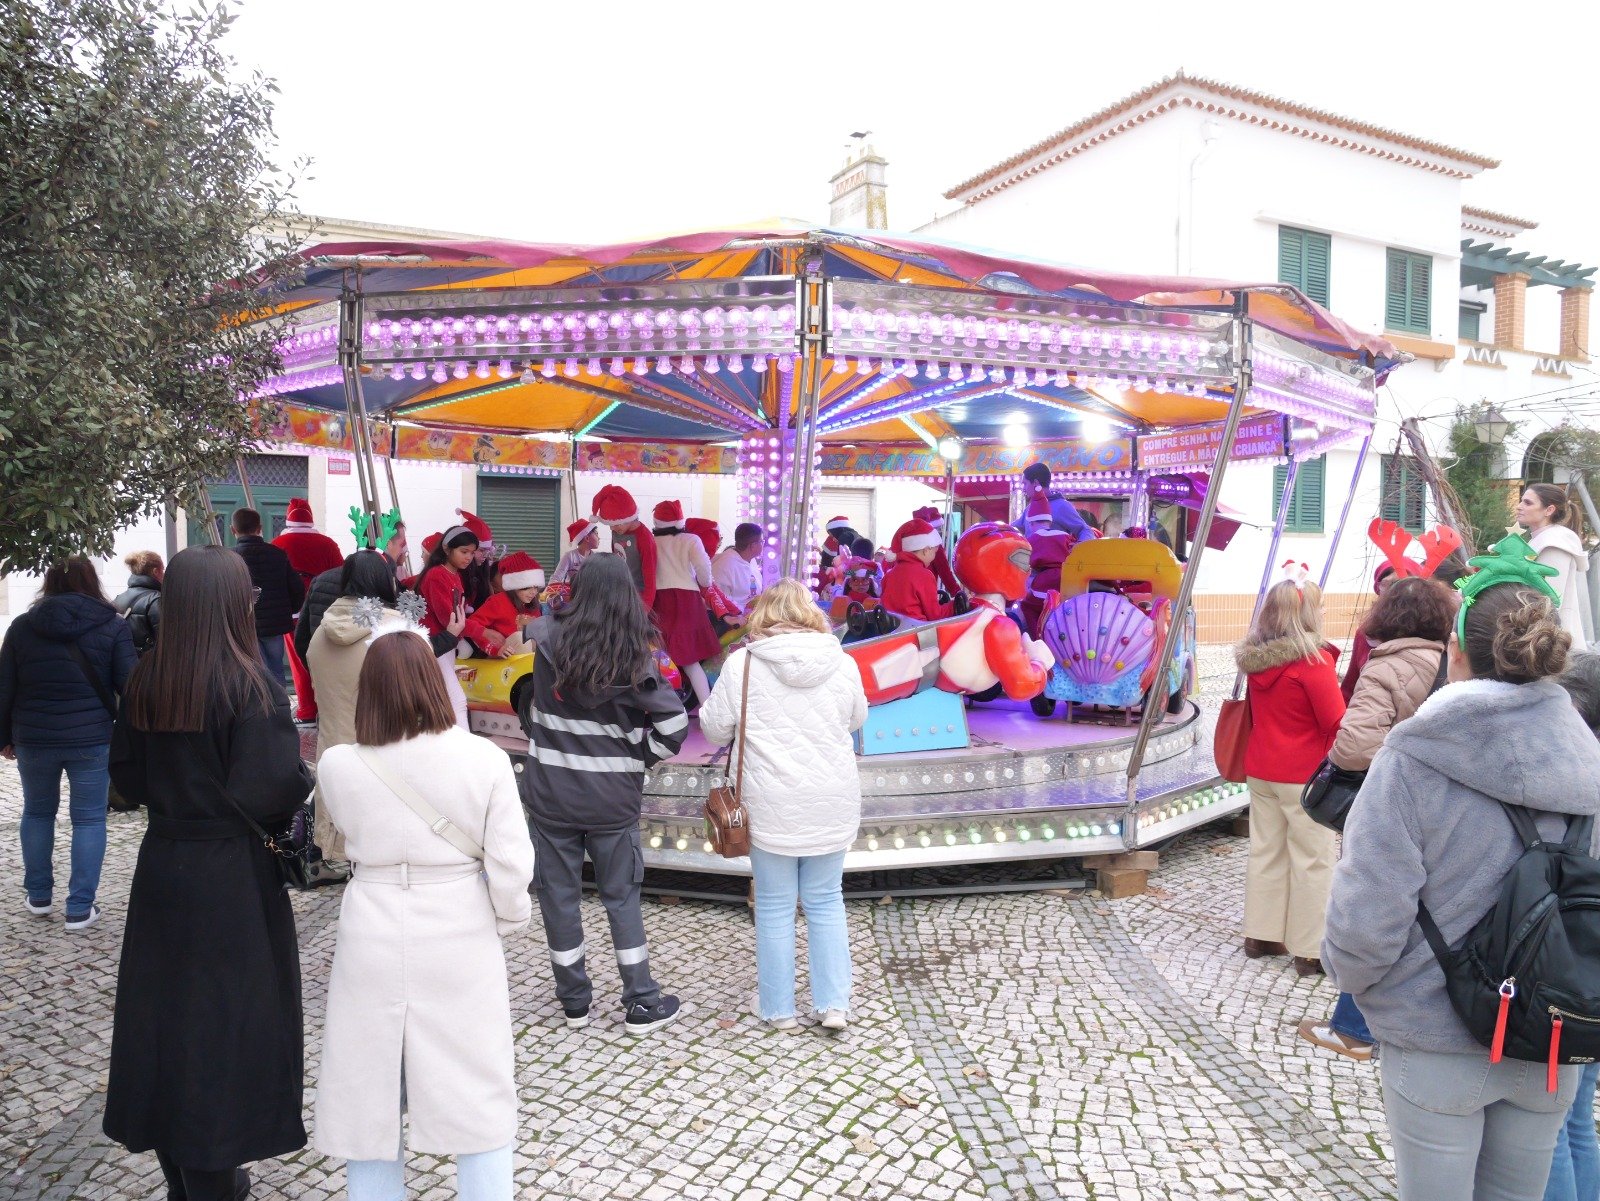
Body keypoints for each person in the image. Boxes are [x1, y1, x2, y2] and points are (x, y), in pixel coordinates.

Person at [1325, 539, 1600, 1201]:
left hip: (1432, 1028)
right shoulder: (1591, 760)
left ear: (1456, 653)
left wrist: (1357, 985)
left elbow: (1367, 913)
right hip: (1553, 1028)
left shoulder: (1413, 757)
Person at [103, 545, 314, 1199]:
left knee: (165, 1023)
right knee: (225, 1030)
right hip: (232, 882)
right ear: (229, 602)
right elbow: (274, 788)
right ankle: (213, 1179)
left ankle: (185, 1174)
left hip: (165, 865)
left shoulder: (147, 678)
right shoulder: (249, 685)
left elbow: (127, 782)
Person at [313, 630, 534, 1201]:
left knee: (370, 1091)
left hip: (372, 921)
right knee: (478, 1083)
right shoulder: (484, 758)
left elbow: (341, 832)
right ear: (435, 685)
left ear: (369, 690)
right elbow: (511, 859)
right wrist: (507, 916)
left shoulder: (338, 764)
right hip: (458, 920)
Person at [518, 553, 686, 1035]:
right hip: (612, 799)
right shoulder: (635, 656)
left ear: (578, 589)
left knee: (559, 898)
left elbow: (534, 707)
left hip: (550, 793)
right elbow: (674, 724)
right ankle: (640, 1000)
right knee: (621, 900)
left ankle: (574, 1003)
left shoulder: (546, 642)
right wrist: (638, 756)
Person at [1297, 575, 1454, 1062]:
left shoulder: (1386, 667)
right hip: (1449, 806)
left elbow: (1353, 747)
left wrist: (1403, 763)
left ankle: (1353, 1028)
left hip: (1393, 805)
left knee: (1376, 907)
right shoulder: (1453, 663)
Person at [699, 578, 866, 1031]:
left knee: (774, 905)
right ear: (812, 616)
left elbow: (714, 730)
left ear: (763, 616)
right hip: (831, 797)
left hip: (768, 799)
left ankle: (778, 1011)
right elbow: (857, 719)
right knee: (826, 900)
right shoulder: (843, 662)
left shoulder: (743, 666)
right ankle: (833, 1005)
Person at [1, 557, 136, 929]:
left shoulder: (23, 627)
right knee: (89, 819)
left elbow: (5, 687)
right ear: (92, 581)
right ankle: (80, 907)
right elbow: (131, 684)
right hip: (92, 737)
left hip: (33, 737)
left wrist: (4, 738)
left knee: (37, 812)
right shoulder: (111, 626)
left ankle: (39, 895)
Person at [1234, 576, 1344, 976]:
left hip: (1261, 767)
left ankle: (1260, 934)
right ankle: (1309, 948)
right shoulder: (1314, 663)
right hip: (1304, 773)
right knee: (1313, 860)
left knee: (1266, 850)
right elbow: (1335, 720)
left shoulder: (1257, 662)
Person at [272, 499, 345, 724]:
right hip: (326, 611)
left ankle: (307, 710)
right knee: (327, 660)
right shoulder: (328, 544)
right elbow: (342, 574)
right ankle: (329, 708)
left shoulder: (278, 543)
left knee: (299, 661)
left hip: (293, 613)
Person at [651, 500, 722, 706]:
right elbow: (704, 572)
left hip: (657, 600)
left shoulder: (649, 540)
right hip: (687, 601)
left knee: (657, 658)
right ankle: (707, 710)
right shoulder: (692, 540)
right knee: (690, 661)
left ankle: (659, 711)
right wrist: (704, 583)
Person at [415, 523, 487, 728]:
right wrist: (483, 632)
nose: (469, 557)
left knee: (448, 700)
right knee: (456, 700)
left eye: (472, 553)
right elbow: (450, 617)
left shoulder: (453, 574)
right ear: (447, 549)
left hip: (446, 645)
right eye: (464, 552)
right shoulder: (437, 575)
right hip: (436, 645)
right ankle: (463, 746)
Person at [231, 508, 304, 680]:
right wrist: (286, 611)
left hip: (243, 626)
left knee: (250, 673)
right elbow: (297, 588)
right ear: (260, 528)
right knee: (276, 670)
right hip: (274, 626)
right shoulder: (278, 554)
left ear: (232, 530)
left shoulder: (230, 557)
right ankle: (278, 705)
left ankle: (258, 706)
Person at [1520, 483, 1590, 646]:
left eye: (1528, 503)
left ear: (1549, 510)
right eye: (1522, 501)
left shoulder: (1554, 545)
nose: (1519, 507)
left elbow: (1549, 603)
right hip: (1541, 639)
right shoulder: (1540, 539)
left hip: (1552, 644)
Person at [1340, 564, 1398, 701]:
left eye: (1401, 584)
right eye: (1387, 585)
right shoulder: (1366, 634)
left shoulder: (1432, 634)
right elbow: (1350, 686)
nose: (1395, 593)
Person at [469, 552, 545, 655]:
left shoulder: (533, 604)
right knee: (521, 638)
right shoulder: (498, 601)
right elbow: (472, 625)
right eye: (527, 587)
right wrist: (493, 648)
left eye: (536, 587)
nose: (533, 592)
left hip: (529, 661)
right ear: (513, 586)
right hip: (502, 656)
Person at [593, 484, 656, 605]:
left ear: (628, 518)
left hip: (638, 600)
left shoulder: (645, 538)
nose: (612, 528)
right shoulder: (616, 531)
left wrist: (645, 610)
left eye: (616, 524)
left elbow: (650, 580)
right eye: (610, 524)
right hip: (619, 596)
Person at [880, 519, 955, 621]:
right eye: (935, 552)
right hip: (918, 633)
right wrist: (954, 605)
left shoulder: (889, 575)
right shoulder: (925, 575)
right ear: (926, 550)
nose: (935, 556)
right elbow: (935, 615)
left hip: (891, 633)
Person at [1015, 461, 1096, 541]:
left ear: (1035, 482)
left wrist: (1078, 547)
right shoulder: (1029, 508)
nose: (1023, 488)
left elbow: (1085, 530)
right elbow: (1015, 528)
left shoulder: (1062, 506)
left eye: (1025, 483)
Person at [713, 522, 764, 628]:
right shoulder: (725, 565)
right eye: (761, 541)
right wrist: (745, 612)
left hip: (753, 618)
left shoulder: (751, 559)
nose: (763, 544)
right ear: (753, 546)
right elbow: (719, 602)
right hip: (732, 625)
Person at [114, 551, 164, 657]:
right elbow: (166, 638)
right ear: (156, 572)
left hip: (124, 663)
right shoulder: (156, 599)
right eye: (162, 570)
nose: (164, 574)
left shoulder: (118, 599)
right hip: (148, 667)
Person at [911, 505, 962, 597]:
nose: (939, 531)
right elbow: (944, 572)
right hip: (925, 593)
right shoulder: (934, 545)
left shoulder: (907, 543)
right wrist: (958, 593)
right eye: (938, 528)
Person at [551, 519, 600, 586]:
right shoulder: (569, 556)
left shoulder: (596, 558)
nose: (599, 538)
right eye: (596, 534)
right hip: (572, 594)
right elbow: (555, 579)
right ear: (587, 538)